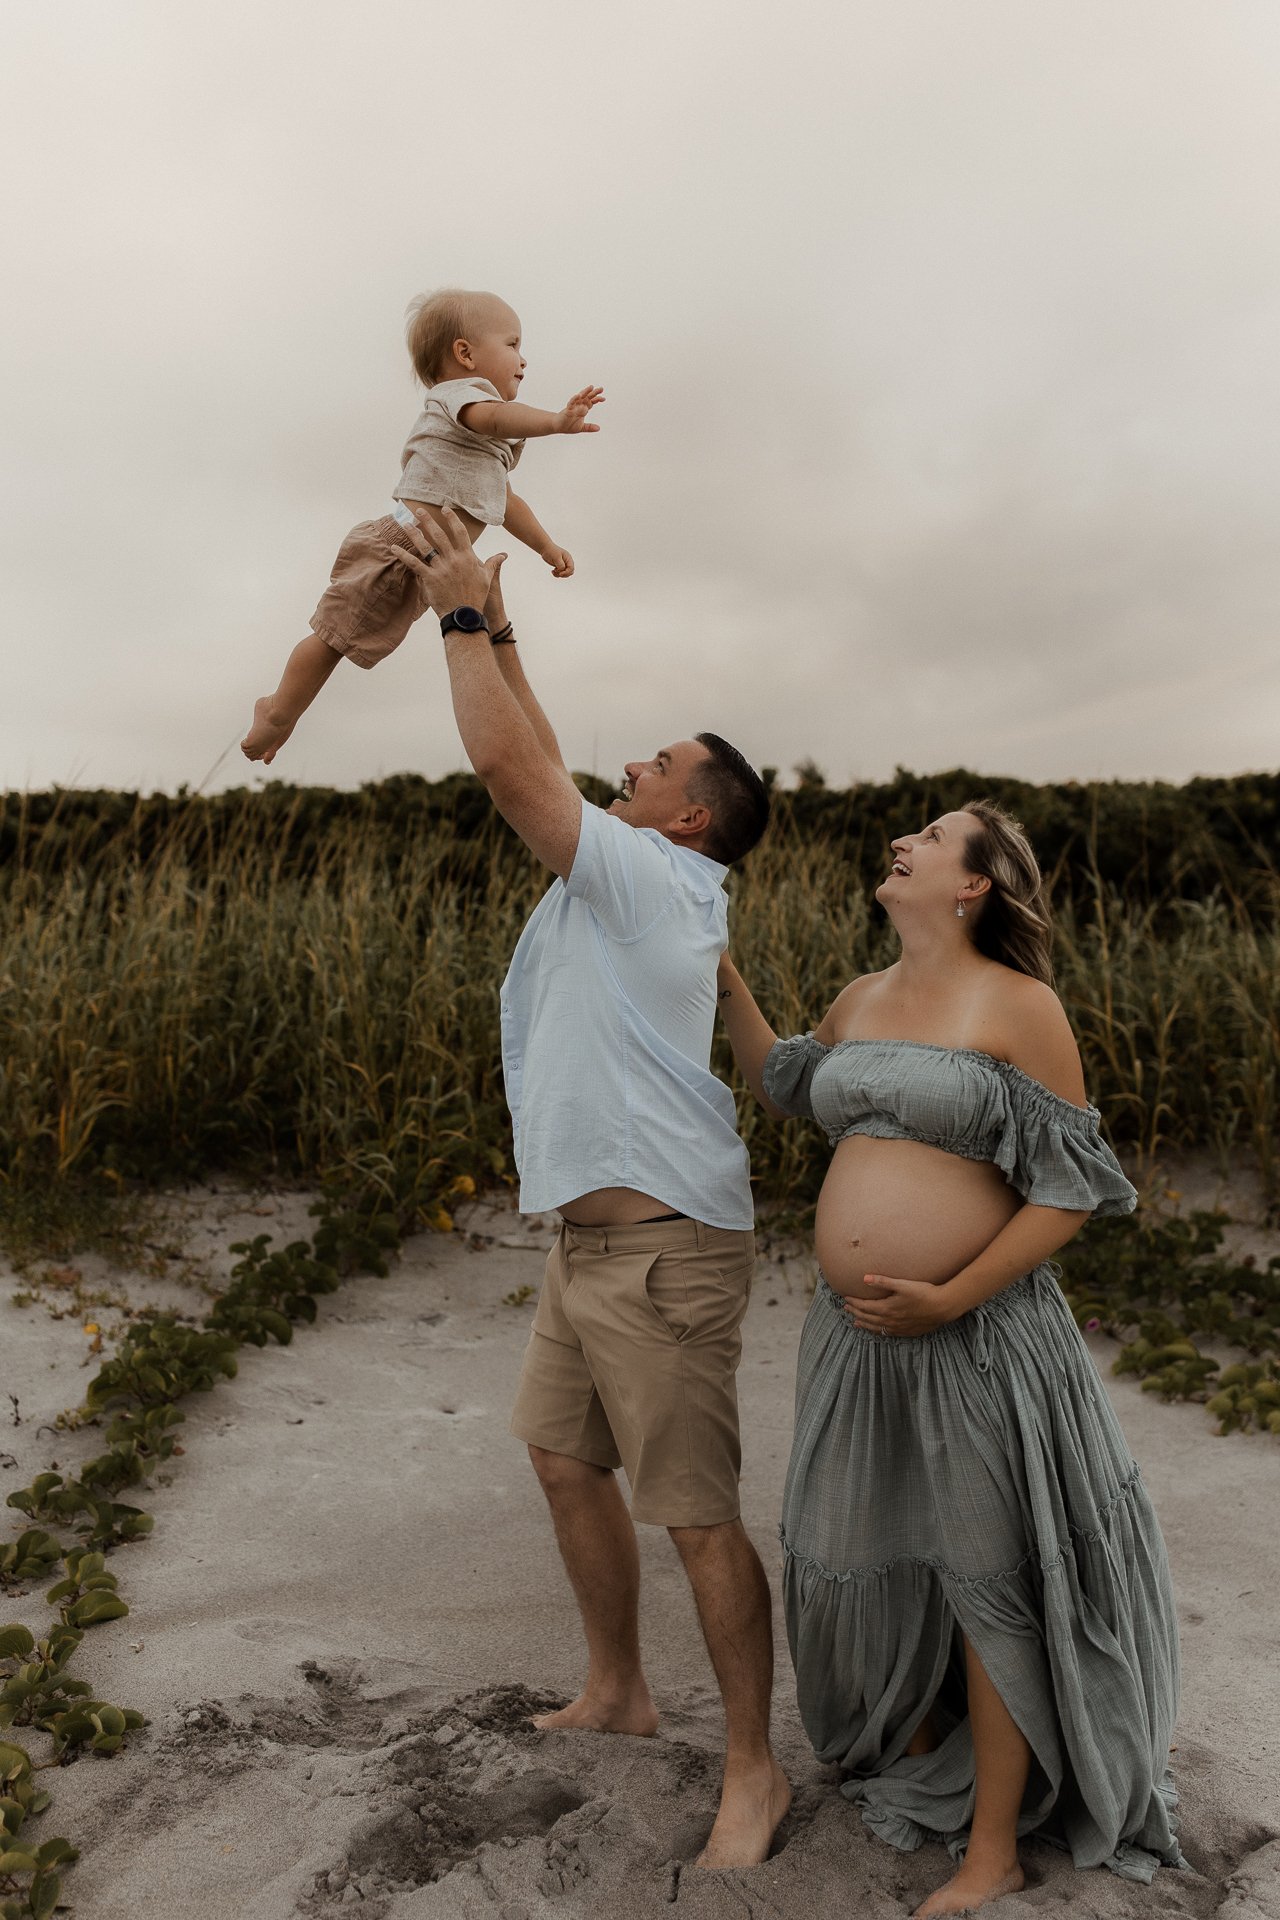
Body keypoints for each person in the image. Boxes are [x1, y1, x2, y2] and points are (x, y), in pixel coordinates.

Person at [404, 504, 792, 1870]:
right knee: (566, 1462)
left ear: (690, 817)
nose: (630, 763)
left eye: (662, 761)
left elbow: (518, 774)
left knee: (694, 1513)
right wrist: (503, 625)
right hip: (587, 1247)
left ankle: (755, 1770)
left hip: (664, 1249)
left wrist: (454, 614)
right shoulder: (630, 870)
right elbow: (551, 752)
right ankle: (619, 1690)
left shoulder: (660, 887)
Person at [715, 800, 1184, 1917]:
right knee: (854, 1545)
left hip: (974, 1335)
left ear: (971, 884)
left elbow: (1071, 1188)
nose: (904, 843)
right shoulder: (859, 997)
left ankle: (991, 1852)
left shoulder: (1019, 1005)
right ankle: (923, 1747)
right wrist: (720, 972)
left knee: (987, 1579)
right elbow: (784, 1082)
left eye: (930, 838)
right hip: (854, 1343)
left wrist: (952, 1293)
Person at [241, 288, 603, 764]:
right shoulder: (462, 399)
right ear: (464, 354)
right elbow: (495, 417)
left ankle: (288, 713)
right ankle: (278, 710)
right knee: (332, 639)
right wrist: (556, 421)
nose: (524, 359)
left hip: (428, 564)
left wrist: (546, 545)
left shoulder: (486, 437)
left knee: (345, 644)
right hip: (397, 549)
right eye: (513, 344)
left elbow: (503, 499)